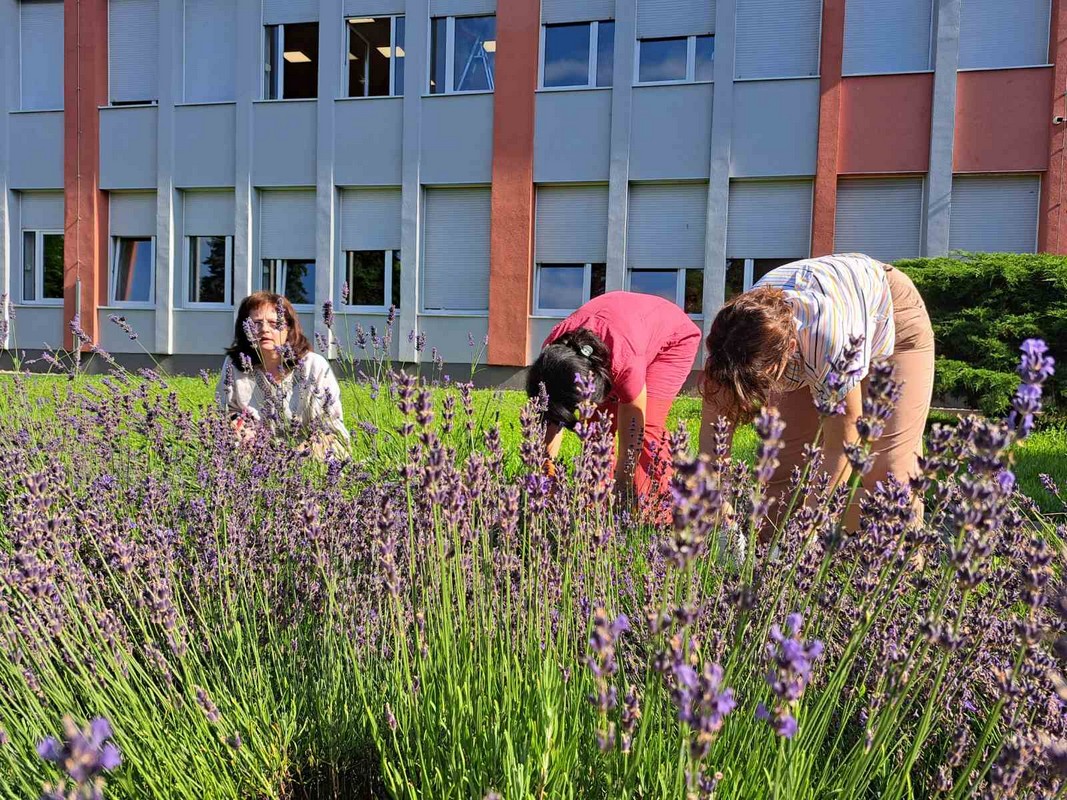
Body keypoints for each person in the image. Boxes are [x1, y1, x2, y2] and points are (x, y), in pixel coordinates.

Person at [699, 253, 935, 529]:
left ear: (788, 352)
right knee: (784, 466)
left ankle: (894, 567)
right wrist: (719, 512)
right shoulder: (730, 344)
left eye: (761, 382)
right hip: (806, 325)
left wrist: (807, 530)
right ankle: (768, 566)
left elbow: (843, 444)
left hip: (890, 312)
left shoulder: (828, 340)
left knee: (888, 470)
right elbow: (712, 445)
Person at [527, 291, 703, 510]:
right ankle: (594, 506)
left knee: (648, 429)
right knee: (597, 428)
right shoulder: (553, 356)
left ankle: (653, 513)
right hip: (621, 331)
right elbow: (551, 412)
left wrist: (622, 484)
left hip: (672, 338)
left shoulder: (625, 363)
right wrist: (545, 472)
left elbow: (633, 428)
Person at [216, 291, 350, 458]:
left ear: (288, 328)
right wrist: (237, 424)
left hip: (310, 452)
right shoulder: (234, 364)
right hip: (254, 453)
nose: (264, 329)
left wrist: (293, 459)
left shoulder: (313, 366)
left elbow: (329, 427)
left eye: (273, 323)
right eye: (256, 323)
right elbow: (224, 411)